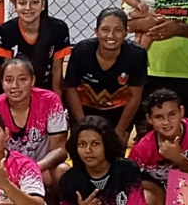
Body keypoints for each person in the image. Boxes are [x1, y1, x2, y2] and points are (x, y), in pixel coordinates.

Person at [0, 56, 69, 205]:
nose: (15, 86)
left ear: (33, 80)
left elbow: (60, 150)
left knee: (63, 171)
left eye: (22, 79)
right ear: (2, 82)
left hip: (43, 167)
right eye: (8, 80)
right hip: (8, 171)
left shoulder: (50, 101)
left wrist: (32, 169)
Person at [63, 8, 147, 140]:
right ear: (96, 31)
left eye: (118, 30)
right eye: (105, 29)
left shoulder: (136, 55)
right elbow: (71, 89)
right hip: (86, 111)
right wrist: (82, 125)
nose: (111, 36)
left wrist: (120, 129)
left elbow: (134, 97)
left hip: (118, 113)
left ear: (126, 32)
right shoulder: (82, 51)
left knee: (115, 154)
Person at [0, 0, 71, 94]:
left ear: (43, 5)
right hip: (15, 92)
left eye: (34, 2)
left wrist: (57, 105)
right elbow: (7, 74)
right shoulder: (5, 31)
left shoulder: (58, 29)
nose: (28, 8)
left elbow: (57, 72)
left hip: (45, 92)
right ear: (15, 5)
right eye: (22, 3)